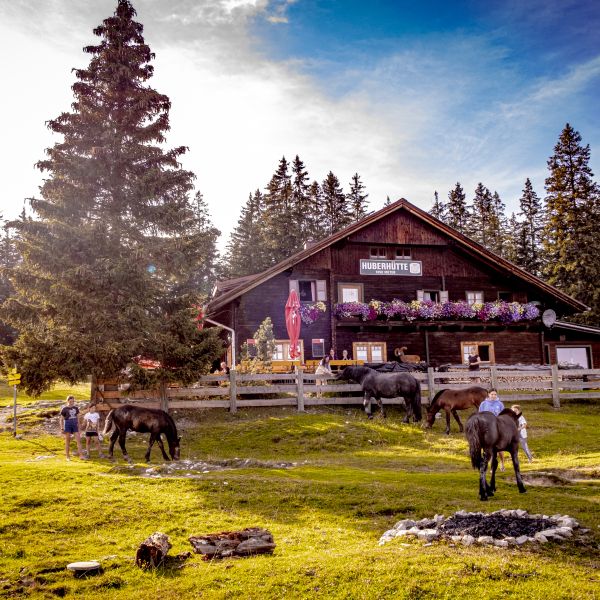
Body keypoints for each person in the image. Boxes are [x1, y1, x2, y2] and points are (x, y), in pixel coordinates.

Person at [479, 389, 506, 470]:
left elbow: (503, 415)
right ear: (488, 394)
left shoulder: (500, 404)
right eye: (492, 394)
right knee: (489, 448)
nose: (494, 396)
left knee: (500, 447)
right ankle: (491, 466)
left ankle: (502, 463)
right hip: (487, 427)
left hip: (497, 427)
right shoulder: (483, 404)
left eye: (495, 394)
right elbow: (480, 415)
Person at [59, 395, 83, 460]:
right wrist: (62, 428)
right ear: (68, 401)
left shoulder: (76, 408)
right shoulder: (64, 409)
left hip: (75, 424)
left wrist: (79, 426)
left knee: (78, 440)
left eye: (73, 401)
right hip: (68, 424)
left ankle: (81, 456)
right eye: (70, 401)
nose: (72, 402)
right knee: (67, 441)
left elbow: (78, 418)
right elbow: (61, 419)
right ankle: (67, 456)